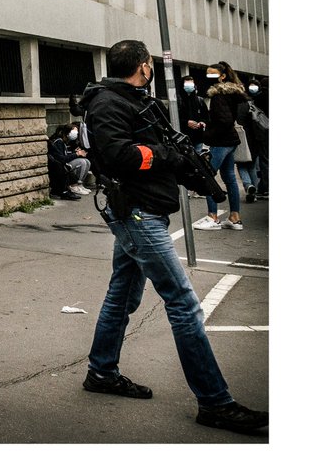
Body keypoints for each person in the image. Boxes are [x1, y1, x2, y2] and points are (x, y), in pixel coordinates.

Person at [78, 40, 266, 434]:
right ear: (144, 66)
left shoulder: (132, 99)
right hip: (137, 212)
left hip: (144, 209)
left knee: (122, 295)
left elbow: (150, 147)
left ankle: (101, 372)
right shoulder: (109, 103)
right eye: (149, 64)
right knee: (183, 303)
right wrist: (163, 155)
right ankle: (215, 403)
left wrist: (178, 159)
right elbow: (120, 156)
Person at [192, 62, 248, 231]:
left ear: (222, 76)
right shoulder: (232, 93)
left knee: (207, 176)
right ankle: (234, 217)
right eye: (207, 74)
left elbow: (223, 120)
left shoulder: (218, 96)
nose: (209, 77)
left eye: (212, 74)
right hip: (230, 141)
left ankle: (212, 217)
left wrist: (208, 132)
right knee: (230, 178)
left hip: (221, 142)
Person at [48, 122, 91, 196]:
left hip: (63, 163)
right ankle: (74, 185)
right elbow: (62, 158)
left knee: (87, 161)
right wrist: (76, 154)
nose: (76, 134)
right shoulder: (58, 142)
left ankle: (79, 184)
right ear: (67, 132)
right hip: (60, 166)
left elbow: (65, 154)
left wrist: (74, 152)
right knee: (82, 162)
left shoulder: (65, 142)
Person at [245, 77, 269, 199]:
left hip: (262, 132)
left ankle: (265, 187)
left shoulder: (257, 99)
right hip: (265, 131)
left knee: (264, 160)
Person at [176, 74, 209, 152]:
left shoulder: (199, 100)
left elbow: (206, 116)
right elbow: (171, 118)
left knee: (197, 159)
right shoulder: (177, 101)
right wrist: (186, 122)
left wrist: (202, 122)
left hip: (198, 137)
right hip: (183, 137)